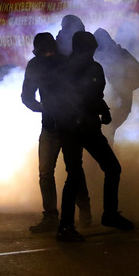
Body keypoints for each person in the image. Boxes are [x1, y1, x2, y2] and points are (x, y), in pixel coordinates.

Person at [51, 31, 134, 242]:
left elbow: (94, 95)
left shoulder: (74, 67)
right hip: (78, 128)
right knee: (89, 173)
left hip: (80, 127)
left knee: (88, 172)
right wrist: (96, 112)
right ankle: (77, 223)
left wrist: (103, 111)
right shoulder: (81, 68)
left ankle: (88, 220)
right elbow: (82, 97)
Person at [21, 32, 92, 233]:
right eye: (45, 52)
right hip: (50, 126)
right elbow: (27, 96)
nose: (49, 54)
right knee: (46, 172)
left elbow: (80, 92)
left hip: (68, 125)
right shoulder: (36, 66)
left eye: (51, 50)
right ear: (38, 52)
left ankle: (84, 209)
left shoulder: (64, 63)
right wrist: (42, 108)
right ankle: (51, 216)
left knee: (73, 170)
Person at [93, 28, 139, 145]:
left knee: (104, 133)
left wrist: (121, 88)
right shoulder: (123, 53)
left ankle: (102, 161)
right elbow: (137, 78)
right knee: (108, 132)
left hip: (110, 104)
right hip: (123, 104)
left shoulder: (95, 56)